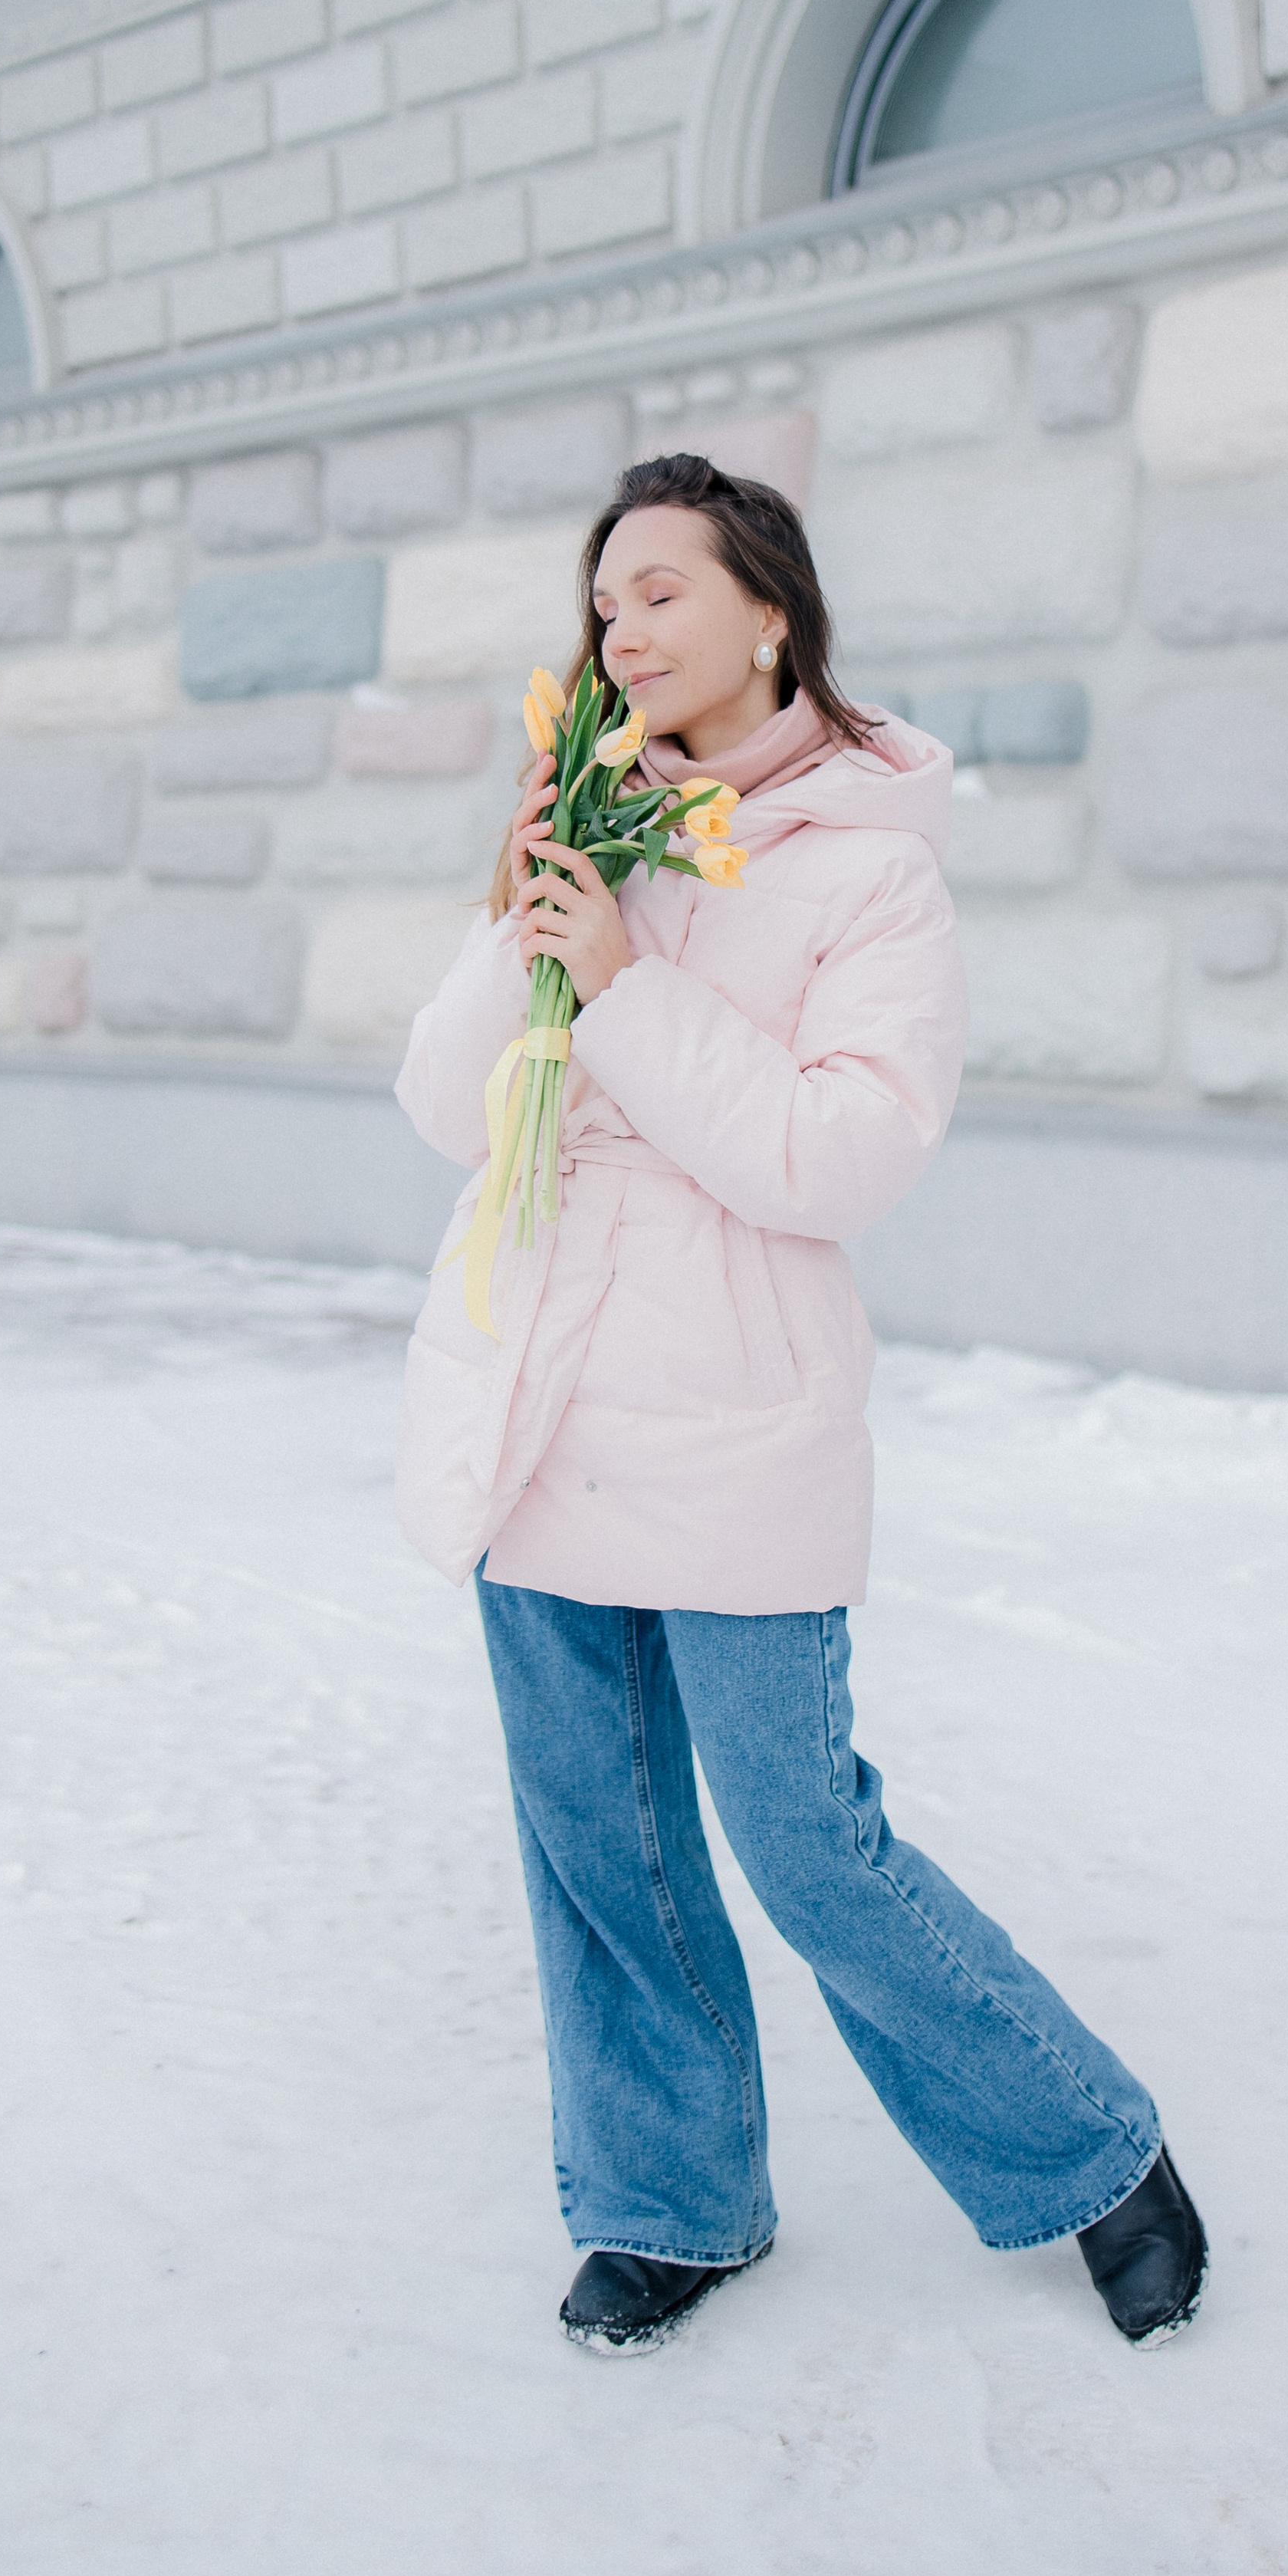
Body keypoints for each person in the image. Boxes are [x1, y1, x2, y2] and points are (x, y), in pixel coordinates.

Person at [393, 454, 1206, 2357]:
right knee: (598, 1850)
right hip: (534, 1404)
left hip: (731, 1418)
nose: (623, 629)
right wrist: (506, 916)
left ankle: (1094, 2158)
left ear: (771, 611)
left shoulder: (870, 876)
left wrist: (620, 991)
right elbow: (450, 1113)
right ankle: (672, 2206)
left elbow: (837, 1159)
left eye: (661, 591)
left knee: (802, 1848)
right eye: (604, 605)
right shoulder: (587, 823)